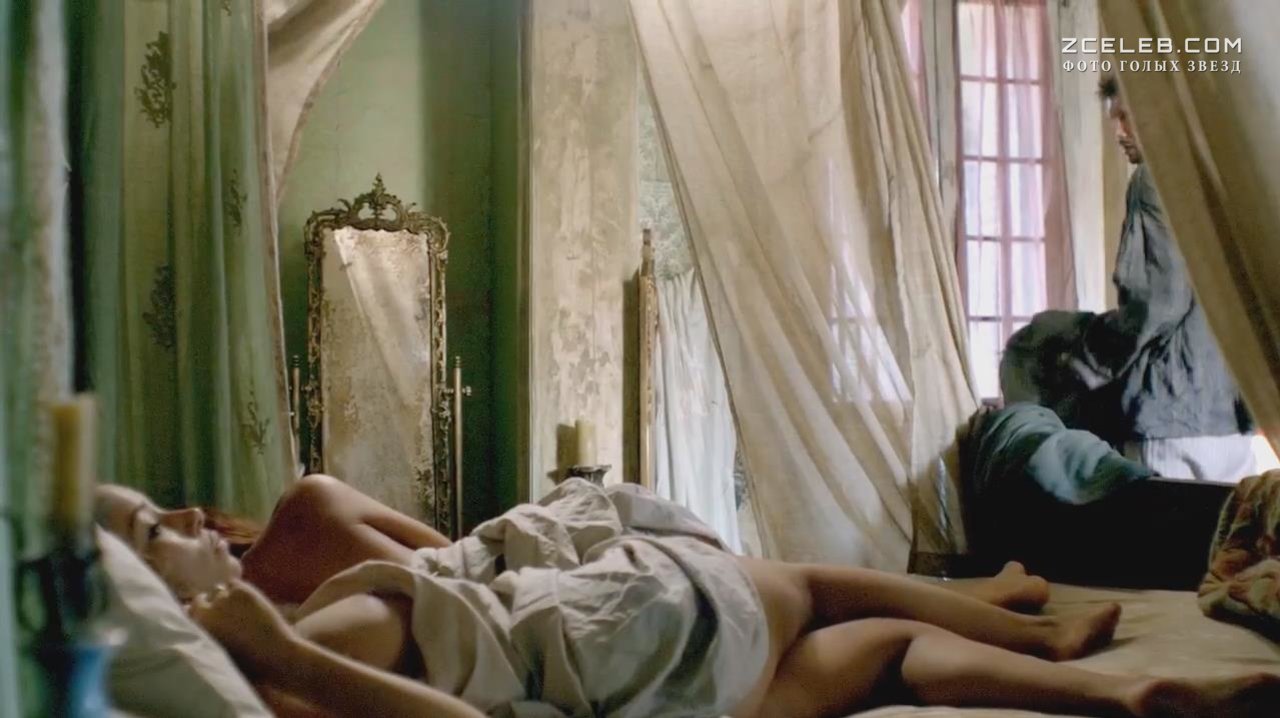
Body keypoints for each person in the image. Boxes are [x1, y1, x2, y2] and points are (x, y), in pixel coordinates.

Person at [96, 476, 1280, 718]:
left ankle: (1110, 695)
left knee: (880, 649)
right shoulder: (303, 636)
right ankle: (1042, 623)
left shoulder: (281, 648)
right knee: (805, 582)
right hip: (627, 640)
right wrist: (278, 645)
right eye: (159, 528)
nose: (193, 517)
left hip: (672, 692)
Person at [1001, 74, 1255, 484]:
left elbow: (1157, 302)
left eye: (1126, 117)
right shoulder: (1232, 177)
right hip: (1232, 421)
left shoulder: (1157, 179)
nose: (1118, 132)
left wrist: (1089, 362)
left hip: (1169, 419)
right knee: (1224, 527)